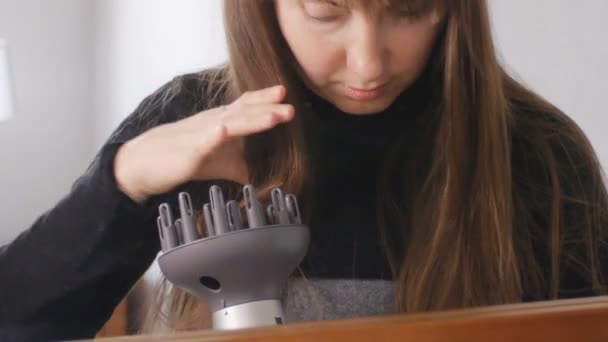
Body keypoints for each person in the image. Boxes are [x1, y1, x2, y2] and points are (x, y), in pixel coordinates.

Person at [1, 0, 607, 340]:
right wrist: (123, 178)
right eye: (325, 10)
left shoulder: (537, 153)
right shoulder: (198, 121)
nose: (368, 63)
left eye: (411, 9)